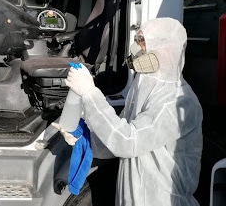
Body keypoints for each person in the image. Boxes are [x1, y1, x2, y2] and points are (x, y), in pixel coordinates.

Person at [57, 17, 203, 205]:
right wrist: (85, 140)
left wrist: (89, 93)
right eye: (137, 40)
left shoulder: (178, 102)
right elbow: (117, 135)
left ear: (167, 50)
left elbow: (127, 142)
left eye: (143, 42)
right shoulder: (142, 84)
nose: (135, 48)